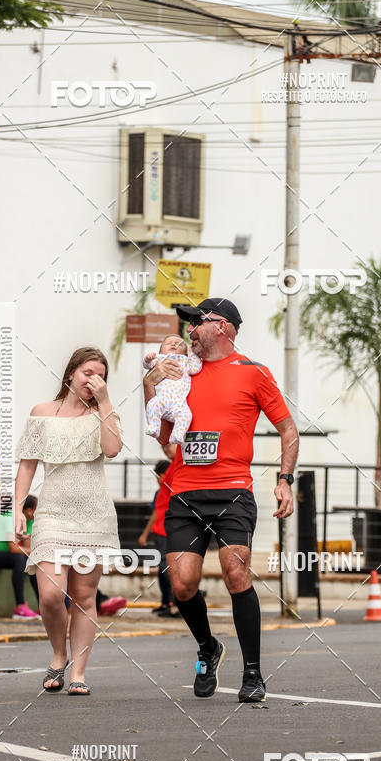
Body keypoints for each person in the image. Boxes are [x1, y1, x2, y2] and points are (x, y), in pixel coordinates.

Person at [143, 298, 299, 703]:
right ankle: (208, 648)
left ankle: (252, 674)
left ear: (224, 327)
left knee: (236, 573)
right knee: (181, 584)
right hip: (185, 492)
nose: (189, 330)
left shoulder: (254, 373)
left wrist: (284, 481)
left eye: (197, 322)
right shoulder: (182, 374)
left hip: (233, 491)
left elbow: (288, 431)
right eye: (188, 323)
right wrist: (152, 382)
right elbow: (162, 438)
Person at [14, 347, 123, 696]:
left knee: (83, 596)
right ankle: (58, 653)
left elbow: (112, 449)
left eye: (101, 376)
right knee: (50, 595)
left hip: (94, 516)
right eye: (88, 372)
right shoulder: (41, 413)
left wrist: (105, 403)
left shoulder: (103, 414)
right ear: (72, 372)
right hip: (52, 515)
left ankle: (78, 673)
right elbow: (28, 464)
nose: (94, 380)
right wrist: (17, 506)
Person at [143, 334, 202, 443]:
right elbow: (147, 365)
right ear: (160, 352)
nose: (174, 344)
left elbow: (195, 369)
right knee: (152, 405)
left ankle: (178, 434)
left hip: (179, 403)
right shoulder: (160, 359)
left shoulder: (186, 362)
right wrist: (148, 359)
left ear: (185, 353)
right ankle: (154, 427)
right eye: (168, 343)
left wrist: (193, 354)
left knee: (186, 415)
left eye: (179, 344)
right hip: (162, 398)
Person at [138, 459, 179, 617]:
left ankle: (177, 601)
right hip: (162, 533)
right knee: (162, 570)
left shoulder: (168, 490)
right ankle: (166, 602)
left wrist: (144, 534)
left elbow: (156, 514)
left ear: (162, 475)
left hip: (167, 533)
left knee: (166, 567)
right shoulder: (163, 491)